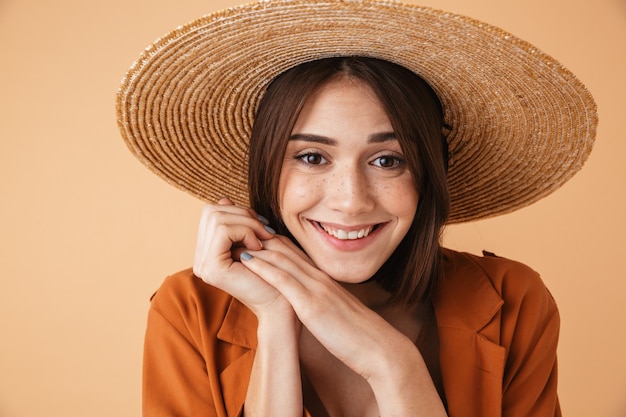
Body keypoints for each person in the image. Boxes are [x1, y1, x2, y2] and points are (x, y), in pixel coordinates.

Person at [116, 1, 598, 416]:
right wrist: (276, 317)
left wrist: (392, 362)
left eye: (388, 160)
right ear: (267, 168)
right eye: (311, 157)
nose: (350, 200)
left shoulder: (513, 302)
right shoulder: (189, 311)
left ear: (427, 175)